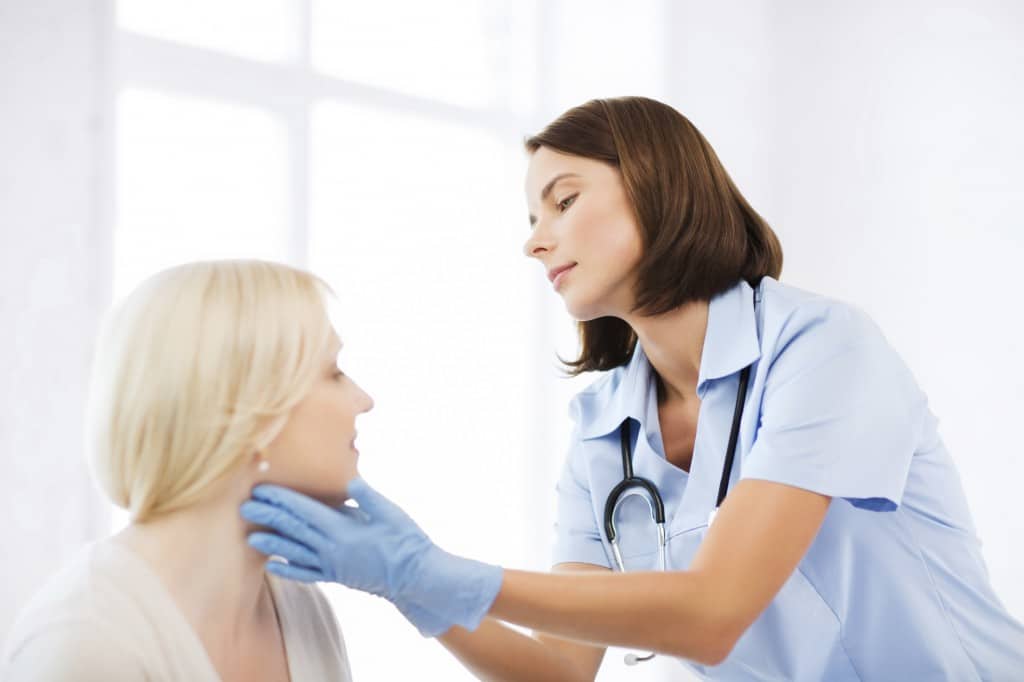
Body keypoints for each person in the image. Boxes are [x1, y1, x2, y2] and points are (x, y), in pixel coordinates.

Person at [241, 97, 1024, 680]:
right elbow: (561, 670)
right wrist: (412, 592)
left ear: (658, 186)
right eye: (532, 216)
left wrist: (440, 572)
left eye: (563, 200)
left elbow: (714, 613)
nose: (534, 239)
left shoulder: (822, 348)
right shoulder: (603, 428)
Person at [2, 260, 368, 681]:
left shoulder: (301, 608)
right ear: (250, 413)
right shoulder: (85, 642)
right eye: (334, 373)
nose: (364, 400)